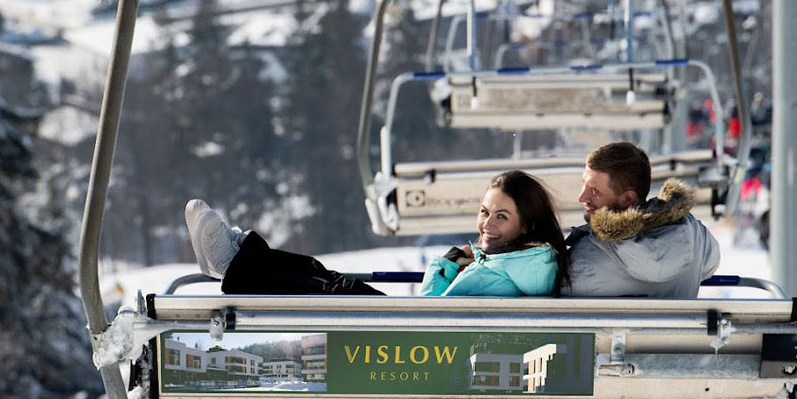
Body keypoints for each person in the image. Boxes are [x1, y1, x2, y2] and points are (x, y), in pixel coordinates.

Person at [504, 141, 721, 399]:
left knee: (517, 365)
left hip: (581, 380)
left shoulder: (590, 257)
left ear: (626, 198)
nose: (582, 198)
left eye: (593, 191)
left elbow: (558, 291)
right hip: (666, 385)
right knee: (680, 388)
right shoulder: (692, 234)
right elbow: (711, 263)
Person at [185, 170, 569, 299]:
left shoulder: (527, 268)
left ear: (526, 225)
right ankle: (236, 257)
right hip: (430, 341)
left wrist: (447, 265)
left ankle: (234, 261)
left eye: (501, 216)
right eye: (485, 212)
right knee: (324, 277)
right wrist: (454, 264)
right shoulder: (513, 260)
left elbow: (434, 306)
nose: (487, 224)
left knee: (331, 287)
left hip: (428, 350)